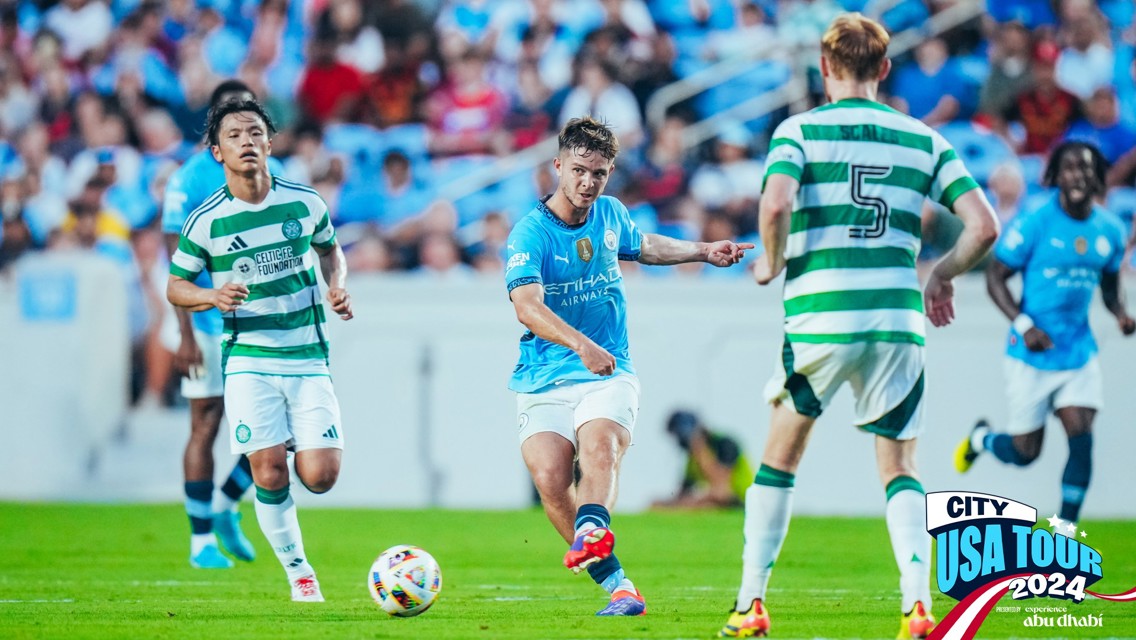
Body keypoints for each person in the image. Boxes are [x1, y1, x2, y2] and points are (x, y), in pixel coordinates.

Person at [720, 14, 999, 639]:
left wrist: (770, 259)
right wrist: (942, 274)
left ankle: (749, 605)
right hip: (898, 322)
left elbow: (774, 203)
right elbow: (984, 226)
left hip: (820, 316)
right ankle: (918, 608)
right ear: (885, 68)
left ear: (824, 69)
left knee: (780, 459)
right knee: (900, 468)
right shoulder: (921, 139)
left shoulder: (799, 131)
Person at [505, 116, 753, 617]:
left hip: (608, 372)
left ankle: (593, 528)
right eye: (578, 170)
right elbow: (527, 306)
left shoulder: (611, 214)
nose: (587, 182)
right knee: (552, 481)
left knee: (600, 447)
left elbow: (645, 246)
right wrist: (580, 345)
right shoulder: (530, 232)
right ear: (558, 165)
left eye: (599, 173)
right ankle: (620, 586)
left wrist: (704, 251)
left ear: (609, 172)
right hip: (544, 375)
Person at [167, 98, 353, 602]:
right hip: (247, 356)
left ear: (270, 144)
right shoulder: (205, 221)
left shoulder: (303, 201)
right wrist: (210, 295)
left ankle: (291, 446)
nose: (246, 142)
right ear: (217, 153)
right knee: (267, 469)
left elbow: (330, 249)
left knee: (320, 476)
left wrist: (337, 285)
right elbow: (175, 285)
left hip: (307, 354)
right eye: (234, 136)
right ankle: (301, 576)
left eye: (254, 133)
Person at [954, 141, 1134, 525]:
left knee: (1081, 434)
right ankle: (982, 439)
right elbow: (995, 278)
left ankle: (1065, 533)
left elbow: (1108, 284)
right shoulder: (1035, 223)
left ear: (1098, 176)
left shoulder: (1110, 230)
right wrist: (1025, 325)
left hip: (1077, 354)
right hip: (1030, 355)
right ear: (1055, 176)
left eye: (1086, 168)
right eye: (1069, 168)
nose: (1078, 175)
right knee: (1024, 452)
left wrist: (1120, 312)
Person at [162, 80, 284, 569]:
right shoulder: (190, 179)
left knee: (286, 430)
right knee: (207, 424)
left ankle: (226, 504)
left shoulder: (276, 173)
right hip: (211, 326)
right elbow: (177, 263)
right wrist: (185, 333)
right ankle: (200, 542)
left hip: (266, 326)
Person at [653, 410, 753, 508]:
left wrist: (699, 450)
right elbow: (684, 493)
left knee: (707, 502)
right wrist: (668, 504)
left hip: (742, 501)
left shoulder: (725, 444)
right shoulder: (692, 460)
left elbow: (721, 488)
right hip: (720, 501)